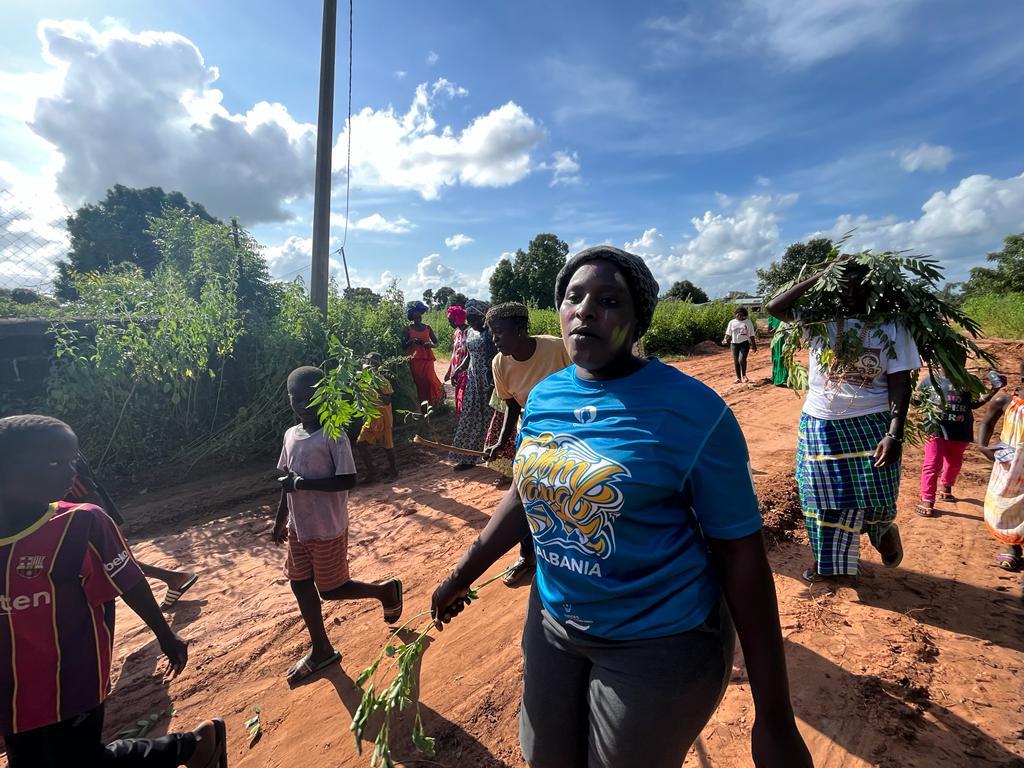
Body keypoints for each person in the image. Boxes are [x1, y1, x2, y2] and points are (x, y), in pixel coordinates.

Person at [431, 247, 811, 768]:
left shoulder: (695, 413)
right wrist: (462, 573)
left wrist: (775, 715)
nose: (585, 311)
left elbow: (741, 557)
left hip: (660, 639)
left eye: (608, 301)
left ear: (637, 322)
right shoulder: (545, 399)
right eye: (573, 297)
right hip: (554, 624)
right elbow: (526, 492)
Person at [0, 415, 227, 768]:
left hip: (71, 679)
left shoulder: (80, 524)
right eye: (55, 463)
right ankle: (196, 745)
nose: (70, 473)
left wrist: (165, 634)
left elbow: (130, 581)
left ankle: (190, 745)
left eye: (73, 461)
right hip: (9, 685)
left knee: (79, 759)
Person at [766, 261, 919, 583]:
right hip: (820, 423)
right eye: (842, 286)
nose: (849, 294)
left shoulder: (892, 326)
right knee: (820, 499)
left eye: (857, 287)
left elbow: (901, 382)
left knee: (877, 497)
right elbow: (775, 306)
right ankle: (830, 564)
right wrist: (822, 274)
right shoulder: (818, 323)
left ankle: (881, 531)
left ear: (874, 290)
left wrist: (895, 434)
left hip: (872, 422)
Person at [273, 366, 404, 685]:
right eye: (296, 398)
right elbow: (286, 482)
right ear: (289, 400)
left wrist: (303, 484)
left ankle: (385, 591)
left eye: (311, 397)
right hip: (298, 527)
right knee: (299, 582)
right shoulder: (291, 435)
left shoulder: (334, 435)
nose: (304, 403)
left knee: (330, 590)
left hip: (327, 527)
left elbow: (348, 480)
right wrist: (280, 519)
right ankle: (322, 649)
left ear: (325, 397)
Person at [483, 302, 572, 587]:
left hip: (571, 432)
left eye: (499, 333)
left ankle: (570, 555)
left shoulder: (557, 348)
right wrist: (501, 441)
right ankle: (528, 557)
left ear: (521, 329)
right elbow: (510, 406)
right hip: (532, 437)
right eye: (492, 334)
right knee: (527, 495)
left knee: (567, 493)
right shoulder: (499, 363)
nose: (494, 340)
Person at [67, 451, 199, 608]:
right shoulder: (56, 444)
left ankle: (173, 583)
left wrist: (101, 525)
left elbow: (86, 492)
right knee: (115, 564)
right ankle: (173, 580)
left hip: (88, 519)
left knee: (114, 565)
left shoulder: (54, 450)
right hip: (86, 519)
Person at [916, 351, 1002, 517]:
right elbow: (918, 400)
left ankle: (947, 485)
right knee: (932, 463)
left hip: (960, 429)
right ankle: (927, 499)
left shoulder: (968, 382)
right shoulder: (930, 380)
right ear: (939, 362)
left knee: (954, 463)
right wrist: (912, 396)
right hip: (935, 427)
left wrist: (993, 391)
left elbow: (974, 404)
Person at [975, 358, 1024, 574]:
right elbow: (987, 421)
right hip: (1009, 464)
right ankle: (1011, 546)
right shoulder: (1006, 401)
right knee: (1006, 505)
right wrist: (982, 446)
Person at [448, 300, 497, 471]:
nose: (471, 322)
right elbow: (469, 356)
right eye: (469, 319)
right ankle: (466, 457)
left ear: (483, 316)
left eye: (475, 318)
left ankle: (494, 456)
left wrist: (494, 382)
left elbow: (497, 358)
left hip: (489, 380)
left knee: (492, 418)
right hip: (473, 379)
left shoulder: (490, 334)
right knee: (470, 417)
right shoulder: (470, 332)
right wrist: (458, 370)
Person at [356, 353, 398, 483]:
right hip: (371, 419)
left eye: (375, 363)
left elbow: (387, 400)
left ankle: (394, 473)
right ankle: (372, 472)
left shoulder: (383, 382)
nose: (371, 365)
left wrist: (375, 386)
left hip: (383, 419)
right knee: (360, 443)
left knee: (387, 447)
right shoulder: (363, 380)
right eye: (370, 362)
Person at [403, 301, 443, 413]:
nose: (418, 317)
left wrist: (431, 345)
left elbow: (436, 342)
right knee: (420, 383)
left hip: (427, 357)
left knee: (430, 380)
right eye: (415, 316)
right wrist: (411, 341)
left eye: (419, 315)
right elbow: (403, 345)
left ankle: (436, 402)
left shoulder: (428, 328)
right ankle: (424, 408)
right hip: (415, 359)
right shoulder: (408, 329)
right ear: (412, 317)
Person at [444, 305, 470, 413]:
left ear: (458, 318)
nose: (450, 323)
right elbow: (454, 354)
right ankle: (459, 423)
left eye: (451, 320)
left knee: (464, 399)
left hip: (466, 372)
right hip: (456, 372)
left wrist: (459, 370)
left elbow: (470, 355)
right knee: (458, 398)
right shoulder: (456, 333)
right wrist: (450, 371)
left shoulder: (470, 332)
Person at [723, 307, 757, 383]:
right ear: (736, 314)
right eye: (738, 314)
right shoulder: (732, 322)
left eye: (741, 315)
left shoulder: (748, 322)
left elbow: (751, 334)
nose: (739, 316)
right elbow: (728, 333)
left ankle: (744, 376)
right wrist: (725, 339)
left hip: (744, 343)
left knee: (741, 360)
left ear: (744, 315)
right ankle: (738, 378)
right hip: (734, 344)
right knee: (736, 361)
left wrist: (754, 345)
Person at [768, 315, 788, 387]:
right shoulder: (773, 317)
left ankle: (785, 378)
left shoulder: (787, 316)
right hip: (778, 340)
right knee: (778, 358)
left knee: (786, 358)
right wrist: (775, 329)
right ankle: (778, 379)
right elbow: (769, 330)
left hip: (787, 340)